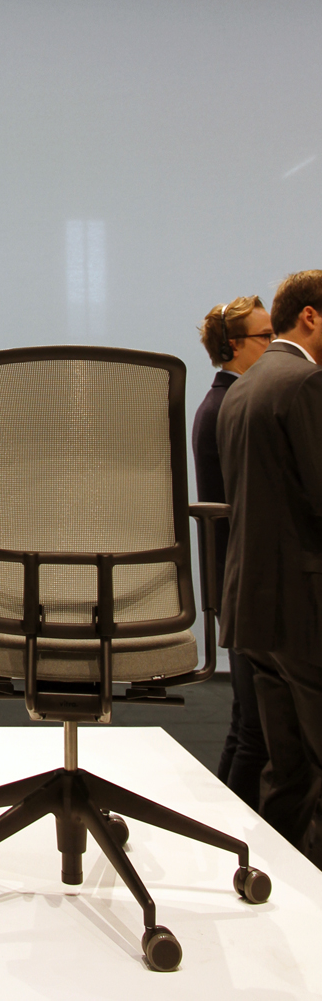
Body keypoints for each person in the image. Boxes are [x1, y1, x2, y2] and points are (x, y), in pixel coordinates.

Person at [218, 270, 322, 867]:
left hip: (257, 607)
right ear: (309, 316)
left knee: (289, 770)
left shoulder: (245, 387)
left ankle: (274, 882)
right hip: (304, 609)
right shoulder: (304, 383)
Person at [192, 296, 273, 810]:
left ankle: (222, 822)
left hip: (234, 578)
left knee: (249, 723)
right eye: (267, 336)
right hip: (242, 582)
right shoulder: (229, 406)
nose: (275, 344)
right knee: (255, 731)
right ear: (234, 346)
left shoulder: (221, 402)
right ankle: (238, 830)